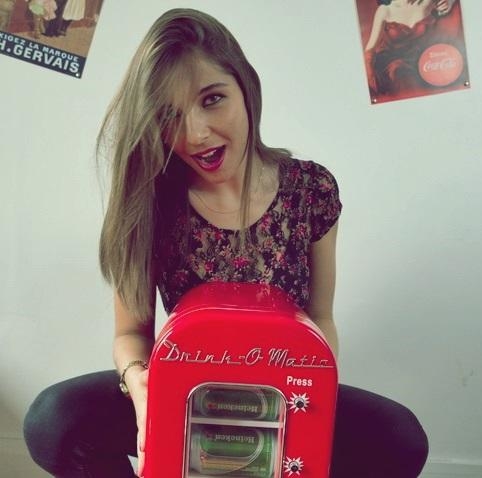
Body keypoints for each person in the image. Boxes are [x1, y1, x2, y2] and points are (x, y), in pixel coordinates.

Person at [23, 8, 428, 478]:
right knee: (54, 421)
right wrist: (142, 388)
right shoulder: (150, 200)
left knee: (399, 438)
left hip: (282, 396)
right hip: (183, 395)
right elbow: (130, 333)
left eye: (212, 99)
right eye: (169, 115)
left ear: (246, 88)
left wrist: (307, 396)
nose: (196, 133)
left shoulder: (311, 189)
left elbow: (320, 319)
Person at [364, 0, 457, 96]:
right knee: (399, 70)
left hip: (419, 59)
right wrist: (370, 77)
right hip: (390, 61)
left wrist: (450, 2)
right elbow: (370, 48)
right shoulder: (385, 10)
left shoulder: (427, 2)